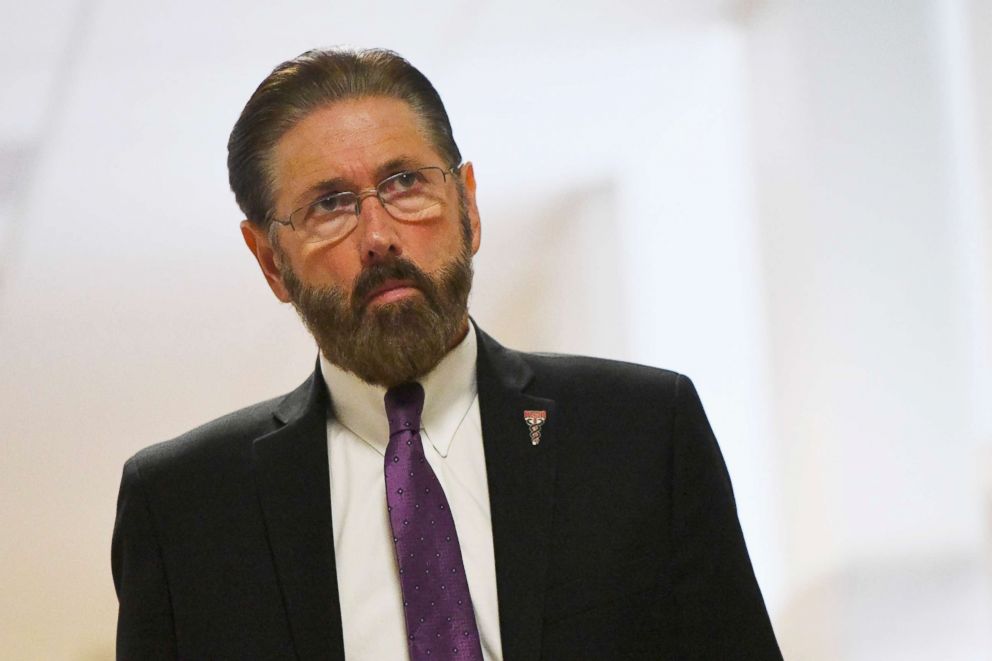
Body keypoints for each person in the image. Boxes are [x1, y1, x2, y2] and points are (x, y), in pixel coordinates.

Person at [112, 47, 782, 661]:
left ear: (468, 205)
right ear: (271, 263)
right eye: (330, 205)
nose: (378, 234)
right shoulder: (183, 508)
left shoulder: (638, 432)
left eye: (405, 183)